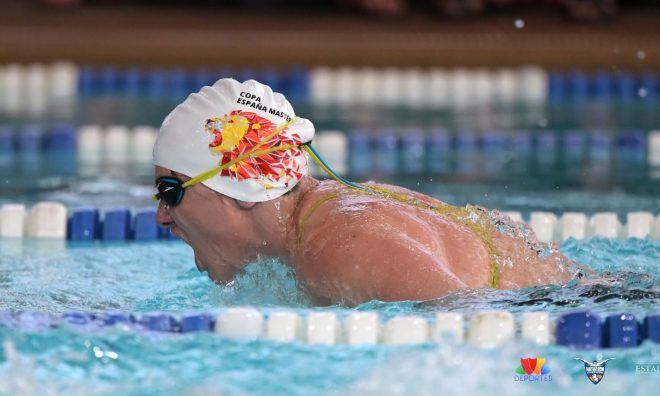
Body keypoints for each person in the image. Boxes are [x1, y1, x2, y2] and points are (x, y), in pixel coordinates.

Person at [153, 78, 579, 306]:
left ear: (241, 184)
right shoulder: (330, 220)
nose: (162, 215)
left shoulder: (341, 247)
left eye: (170, 191)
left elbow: (483, 333)